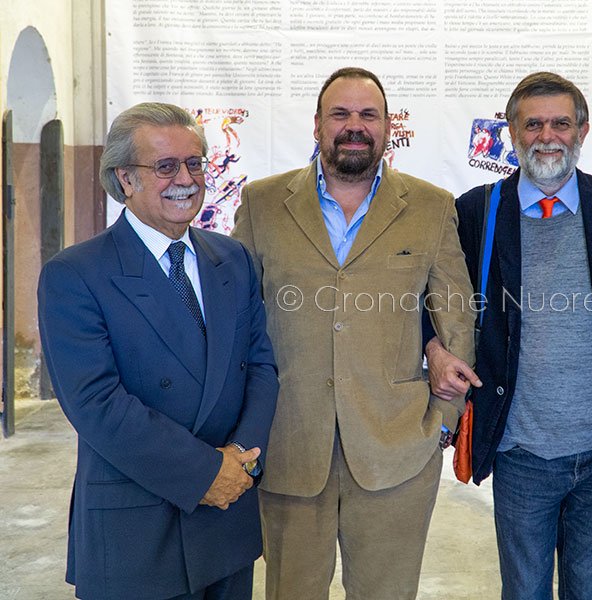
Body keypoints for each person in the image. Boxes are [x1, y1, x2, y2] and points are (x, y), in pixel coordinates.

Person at [231, 67, 476, 600]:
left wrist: (443, 421)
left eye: (369, 115)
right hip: (287, 444)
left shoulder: (431, 206)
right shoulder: (263, 203)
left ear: (390, 126)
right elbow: (237, 316)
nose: (354, 126)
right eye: (340, 114)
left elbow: (454, 313)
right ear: (317, 125)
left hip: (398, 450)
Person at [37, 102, 279, 600]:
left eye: (195, 163)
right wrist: (206, 473)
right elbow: (97, 404)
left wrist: (240, 463)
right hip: (136, 529)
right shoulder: (76, 274)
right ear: (124, 179)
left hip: (227, 517)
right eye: (165, 166)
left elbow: (261, 366)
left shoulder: (231, 258)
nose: (185, 179)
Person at [426, 71, 592, 600]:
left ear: (583, 131)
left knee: (591, 590)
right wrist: (432, 349)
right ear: (511, 131)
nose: (547, 136)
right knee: (523, 591)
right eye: (533, 124)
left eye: (561, 123)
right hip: (522, 450)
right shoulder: (477, 211)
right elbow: (424, 297)